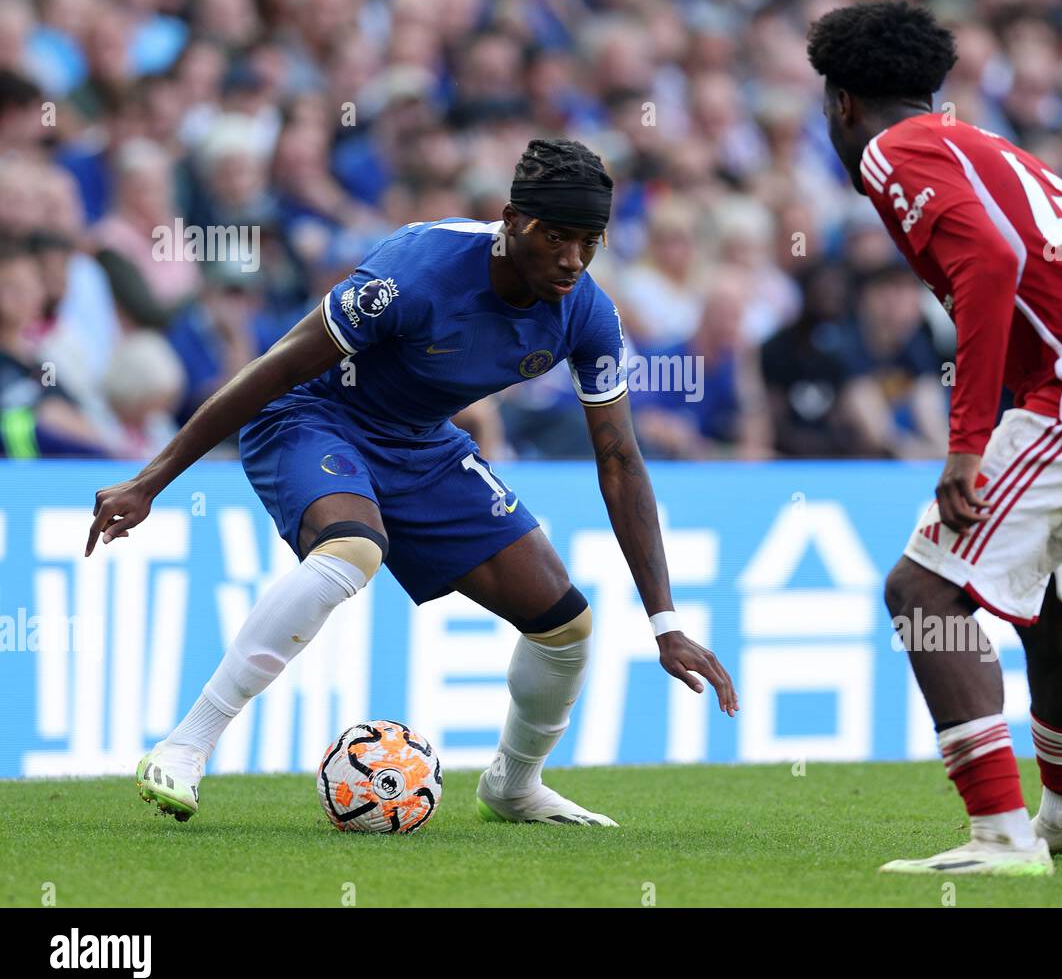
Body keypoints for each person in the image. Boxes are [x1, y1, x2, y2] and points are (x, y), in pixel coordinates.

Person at [86, 138, 737, 827]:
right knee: (353, 550)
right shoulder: (417, 271)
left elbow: (620, 458)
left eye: (590, 242)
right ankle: (187, 745)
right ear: (514, 220)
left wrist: (664, 623)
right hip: (313, 415)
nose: (573, 260)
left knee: (566, 626)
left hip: (421, 444)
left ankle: (513, 786)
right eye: (556, 238)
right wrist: (150, 481)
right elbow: (277, 368)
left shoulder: (588, 314)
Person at [808, 1, 1062, 876]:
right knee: (1060, 607)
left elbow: (988, 264)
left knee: (923, 590)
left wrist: (965, 442)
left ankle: (999, 834)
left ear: (841, 102)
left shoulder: (893, 151)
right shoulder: (998, 150)